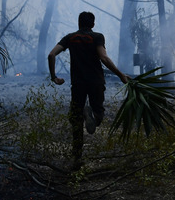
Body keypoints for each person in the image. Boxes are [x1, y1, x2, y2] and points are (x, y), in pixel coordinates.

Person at [48, 11, 129, 169]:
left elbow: (51, 55)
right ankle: (92, 113)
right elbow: (104, 58)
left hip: (78, 83)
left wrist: (54, 77)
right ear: (92, 24)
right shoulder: (97, 37)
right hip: (96, 82)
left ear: (79, 23)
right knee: (98, 113)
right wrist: (120, 75)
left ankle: (77, 158)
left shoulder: (70, 38)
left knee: (76, 120)